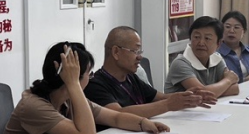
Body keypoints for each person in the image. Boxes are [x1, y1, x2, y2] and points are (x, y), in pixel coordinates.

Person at [0, 42, 170, 134]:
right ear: (72, 76)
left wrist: (143, 123)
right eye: (89, 73)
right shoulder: (33, 105)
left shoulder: (69, 100)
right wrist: (73, 84)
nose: (91, 78)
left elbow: (115, 117)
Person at [85, 26, 217, 117]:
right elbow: (117, 114)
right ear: (116, 52)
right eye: (135, 51)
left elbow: (160, 97)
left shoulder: (131, 78)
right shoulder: (95, 84)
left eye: (140, 51)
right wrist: (167, 105)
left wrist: (188, 97)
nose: (140, 57)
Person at [164, 16, 239, 97]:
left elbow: (235, 88)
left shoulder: (217, 59)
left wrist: (214, 91)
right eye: (196, 37)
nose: (201, 43)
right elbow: (202, 94)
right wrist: (228, 80)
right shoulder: (180, 63)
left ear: (218, 44)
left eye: (207, 38)